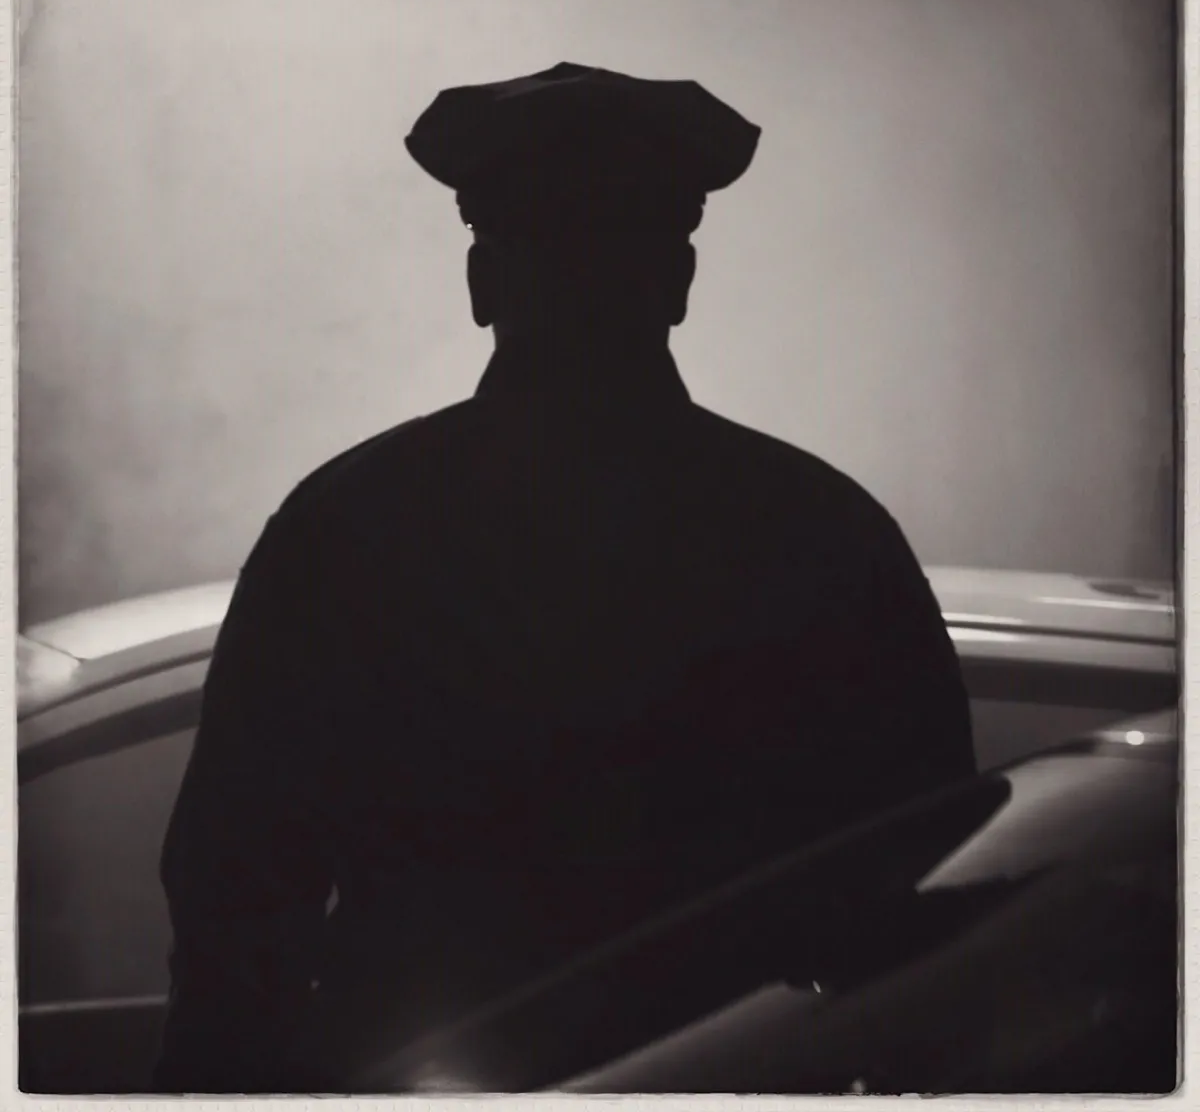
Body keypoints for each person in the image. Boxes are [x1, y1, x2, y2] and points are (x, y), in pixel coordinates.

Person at [153, 62, 976, 1094]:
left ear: (482, 286)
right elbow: (928, 879)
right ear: (677, 285)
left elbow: (237, 893)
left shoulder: (350, 526)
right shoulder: (820, 532)